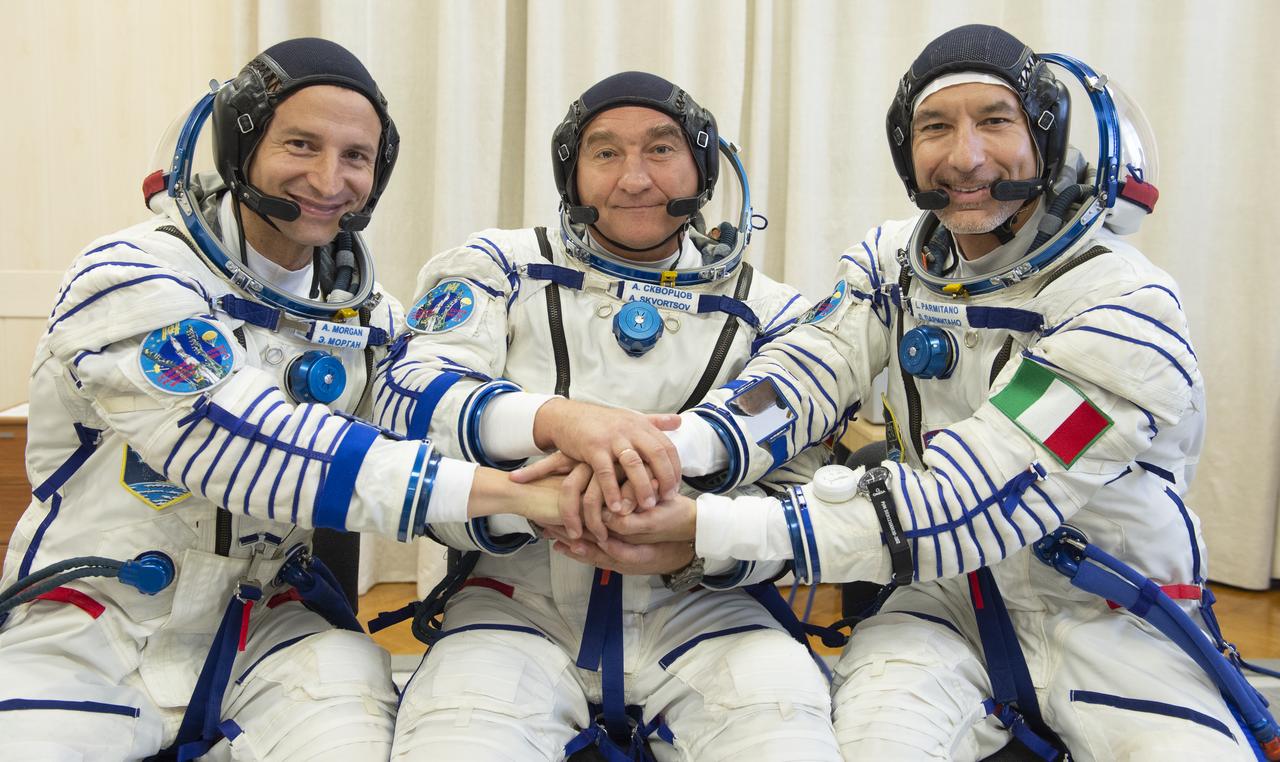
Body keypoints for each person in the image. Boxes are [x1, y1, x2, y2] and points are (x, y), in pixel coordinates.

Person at [532, 25, 1275, 761]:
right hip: (944, 604)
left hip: (1113, 617)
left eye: (995, 121)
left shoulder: (1125, 308)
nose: (965, 156)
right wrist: (671, 448)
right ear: (905, 149)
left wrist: (706, 528)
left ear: (1044, 139)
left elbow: (973, 499)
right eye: (935, 127)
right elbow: (798, 380)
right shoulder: (891, 265)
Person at [0, 38, 560, 760]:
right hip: (95, 622)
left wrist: (549, 484)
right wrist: (520, 494)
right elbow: (241, 444)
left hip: (268, 624)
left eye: (356, 157)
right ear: (241, 147)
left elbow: (431, 446)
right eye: (301, 144)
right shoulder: (129, 275)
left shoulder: (371, 318)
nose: (329, 179)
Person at [375, 72, 841, 761]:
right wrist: (549, 439)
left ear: (702, 167)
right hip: (516, 597)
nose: (634, 179)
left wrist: (698, 540)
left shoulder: (774, 313)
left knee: (787, 740)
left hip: (705, 605)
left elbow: (801, 491)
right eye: (605, 153)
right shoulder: (499, 268)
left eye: (661, 149)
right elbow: (408, 399)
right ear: (571, 172)